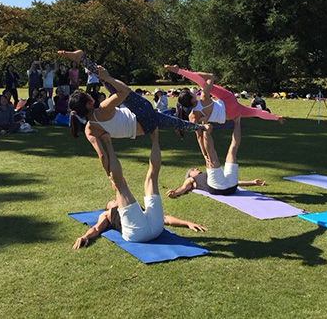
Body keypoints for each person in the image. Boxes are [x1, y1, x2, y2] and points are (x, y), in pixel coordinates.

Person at [59, 50, 210, 174]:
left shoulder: (89, 130)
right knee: (111, 85)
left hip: (145, 127)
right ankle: (83, 59)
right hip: (142, 114)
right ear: (90, 102)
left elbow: (102, 156)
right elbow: (124, 91)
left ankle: (202, 127)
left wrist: (110, 175)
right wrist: (106, 77)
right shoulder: (103, 109)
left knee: (175, 122)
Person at [73, 128, 207, 248]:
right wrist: (85, 236)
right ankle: (109, 143)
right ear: (108, 207)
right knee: (120, 184)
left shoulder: (140, 210)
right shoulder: (108, 214)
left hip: (155, 228)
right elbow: (96, 229)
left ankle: (154, 136)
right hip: (136, 233)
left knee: (151, 177)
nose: (114, 200)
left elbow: (165, 219)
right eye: (112, 201)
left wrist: (187, 223)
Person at [166, 115, 266, 197]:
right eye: (192, 170)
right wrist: (175, 193)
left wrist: (252, 182)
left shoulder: (207, 174)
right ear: (190, 175)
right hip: (217, 188)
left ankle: (237, 121)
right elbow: (183, 188)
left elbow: (237, 182)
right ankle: (205, 127)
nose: (196, 168)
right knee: (211, 156)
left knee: (232, 151)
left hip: (232, 187)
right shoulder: (191, 180)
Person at [166, 65, 285, 124]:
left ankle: (276, 118)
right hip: (228, 101)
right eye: (191, 94)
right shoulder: (203, 98)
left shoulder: (192, 115)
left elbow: (196, 129)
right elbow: (207, 77)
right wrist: (183, 72)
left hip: (230, 116)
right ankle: (179, 71)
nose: (193, 93)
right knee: (204, 83)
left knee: (255, 112)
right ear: (192, 100)